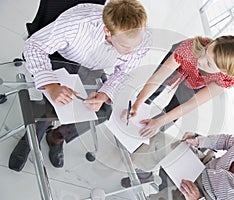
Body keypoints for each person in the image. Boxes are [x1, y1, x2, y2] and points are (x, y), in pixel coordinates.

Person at [9, 0, 151, 171]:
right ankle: (31, 139)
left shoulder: (138, 37)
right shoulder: (77, 24)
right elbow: (34, 46)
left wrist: (104, 95)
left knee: (103, 112)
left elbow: (125, 72)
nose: (133, 52)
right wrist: (52, 85)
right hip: (62, 58)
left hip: (92, 68)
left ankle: (57, 137)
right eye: (126, 47)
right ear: (107, 31)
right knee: (53, 108)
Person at [124, 35, 234, 138]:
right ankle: (135, 112)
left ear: (223, 72)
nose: (201, 60)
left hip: (200, 80)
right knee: (160, 85)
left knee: (177, 105)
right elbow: (158, 78)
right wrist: (138, 103)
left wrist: (159, 123)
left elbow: (191, 104)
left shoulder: (226, 78)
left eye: (209, 63)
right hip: (185, 59)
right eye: (205, 52)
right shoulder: (190, 48)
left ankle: (146, 133)